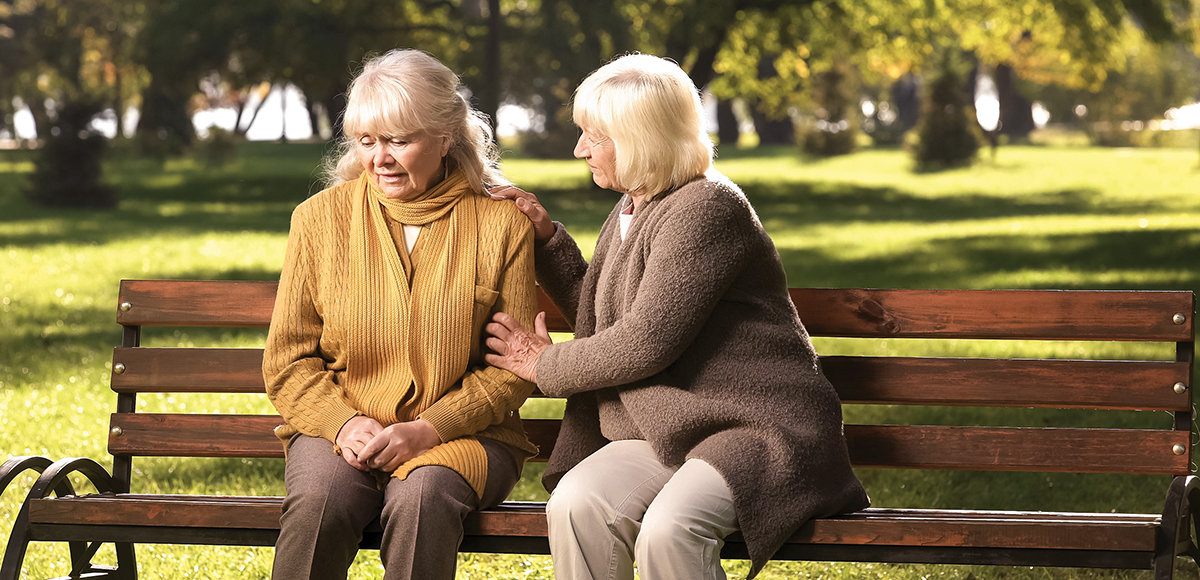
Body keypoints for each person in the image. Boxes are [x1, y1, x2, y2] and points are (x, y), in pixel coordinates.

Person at [484, 53, 869, 580]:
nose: (579, 150)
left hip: (752, 425)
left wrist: (542, 364)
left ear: (639, 137)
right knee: (576, 505)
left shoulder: (706, 207)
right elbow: (607, 320)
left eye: (594, 136)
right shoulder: (634, 206)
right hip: (670, 422)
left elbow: (645, 341)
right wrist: (548, 240)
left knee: (671, 528)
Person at [263, 48, 538, 580]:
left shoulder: (502, 225)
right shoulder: (320, 220)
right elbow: (288, 361)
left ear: (446, 137)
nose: (380, 158)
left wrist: (432, 428)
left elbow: (511, 369)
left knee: (421, 497)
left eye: (399, 140)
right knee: (320, 503)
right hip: (341, 430)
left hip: (469, 438)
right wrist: (343, 424)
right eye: (368, 141)